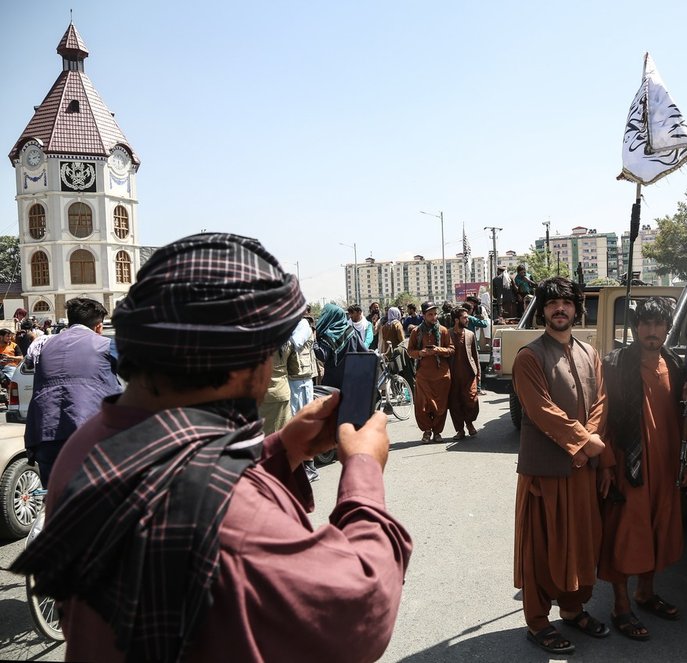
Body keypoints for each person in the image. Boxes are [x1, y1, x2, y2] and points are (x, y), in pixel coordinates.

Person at [11, 232, 412, 662]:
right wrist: (364, 470)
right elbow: (361, 609)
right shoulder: (226, 516)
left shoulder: (88, 444)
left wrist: (282, 450)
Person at [512, 276, 611, 656]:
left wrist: (589, 443)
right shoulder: (529, 356)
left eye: (566, 303)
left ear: (576, 308)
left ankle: (572, 610)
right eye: (552, 303)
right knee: (542, 548)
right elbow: (541, 411)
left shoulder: (590, 353)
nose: (560, 309)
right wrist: (585, 443)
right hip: (546, 472)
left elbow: (601, 400)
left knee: (581, 543)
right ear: (542, 311)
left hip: (581, 470)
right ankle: (538, 622)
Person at [598, 298, 685, 641]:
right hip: (628, 462)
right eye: (645, 325)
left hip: (665, 465)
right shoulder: (616, 364)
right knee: (625, 533)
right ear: (636, 329)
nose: (652, 331)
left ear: (667, 328)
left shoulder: (675, 364)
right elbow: (600, 417)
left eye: (658, 325)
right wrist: (605, 463)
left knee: (657, 529)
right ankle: (620, 606)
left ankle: (645, 593)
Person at [24, 298, 120, 486]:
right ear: (99, 327)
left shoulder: (45, 347)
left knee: (57, 502)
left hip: (45, 433)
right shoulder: (105, 345)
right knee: (95, 503)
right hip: (89, 433)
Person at [407, 301, 454, 443]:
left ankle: (437, 432)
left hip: (442, 375)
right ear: (423, 315)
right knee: (422, 405)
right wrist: (421, 353)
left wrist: (437, 350)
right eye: (430, 314)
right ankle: (427, 431)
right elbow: (410, 352)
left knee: (441, 405)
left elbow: (451, 349)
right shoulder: (416, 332)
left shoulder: (444, 331)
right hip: (423, 376)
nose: (434, 317)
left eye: (435, 314)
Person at [287, 313, 319, 482]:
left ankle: (310, 467)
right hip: (290, 380)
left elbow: (293, 343)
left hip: (300, 381)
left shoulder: (302, 325)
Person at [316, 304, 369, 389]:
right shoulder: (351, 331)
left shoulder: (327, 335)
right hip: (351, 378)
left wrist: (314, 342)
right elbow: (364, 351)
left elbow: (322, 355)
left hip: (332, 382)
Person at [447, 307, 480, 440]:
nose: (467, 319)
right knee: (455, 404)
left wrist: (478, 374)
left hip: (468, 375)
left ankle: (469, 422)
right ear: (456, 320)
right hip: (453, 376)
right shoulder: (447, 334)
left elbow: (475, 356)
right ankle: (460, 430)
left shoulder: (470, 334)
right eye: (464, 317)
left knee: (472, 400)